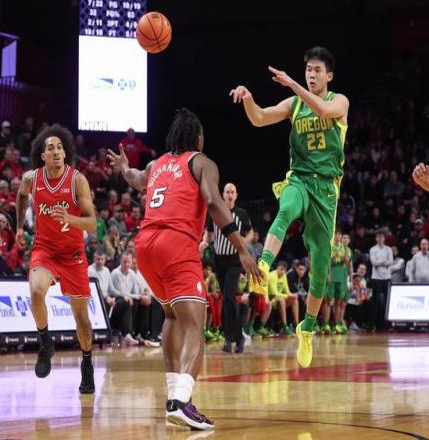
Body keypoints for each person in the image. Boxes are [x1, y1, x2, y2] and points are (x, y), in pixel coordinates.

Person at [107, 108, 261, 430]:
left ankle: (172, 398)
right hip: (176, 243)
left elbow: (135, 179)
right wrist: (242, 248)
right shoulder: (202, 162)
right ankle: (181, 401)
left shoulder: (157, 164)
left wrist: (122, 168)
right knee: (194, 326)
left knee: (173, 317)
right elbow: (214, 203)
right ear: (198, 137)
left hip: (145, 245)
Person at [230, 46, 349, 367]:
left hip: (326, 189)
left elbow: (323, 110)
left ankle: (306, 328)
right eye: (308, 69)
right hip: (299, 179)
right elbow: (259, 118)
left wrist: (293, 84)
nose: (311, 74)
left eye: (317, 70)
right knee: (286, 209)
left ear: (329, 75)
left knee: (320, 268)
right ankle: (263, 267)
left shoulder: (340, 102)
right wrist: (248, 99)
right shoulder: (294, 104)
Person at [15, 124, 97, 394]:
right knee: (36, 291)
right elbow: (20, 196)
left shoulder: (77, 180)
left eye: (60, 147)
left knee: (81, 319)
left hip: (73, 254)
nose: (56, 151)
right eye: (51, 148)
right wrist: (19, 228)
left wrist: (70, 218)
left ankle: (86, 362)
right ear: (43, 156)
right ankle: (45, 341)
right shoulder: (31, 179)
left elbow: (92, 224)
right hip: (46, 249)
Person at [204, 182, 253, 354]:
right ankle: (233, 338)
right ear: (223, 194)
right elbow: (208, 233)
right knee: (227, 300)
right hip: (219, 260)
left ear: (236, 195)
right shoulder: (215, 212)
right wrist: (204, 243)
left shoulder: (241, 214)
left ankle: (234, 338)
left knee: (229, 298)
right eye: (227, 192)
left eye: (232, 192)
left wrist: (243, 242)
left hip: (235, 261)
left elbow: (250, 232)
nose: (230, 195)